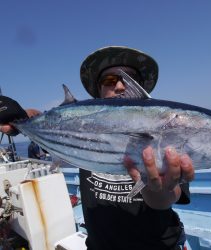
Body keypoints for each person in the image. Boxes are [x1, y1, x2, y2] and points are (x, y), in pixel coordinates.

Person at [0, 46, 194, 250]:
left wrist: (160, 190)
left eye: (130, 80)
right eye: (110, 81)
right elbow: (52, 118)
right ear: (99, 90)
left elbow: (165, 200)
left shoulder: (168, 127)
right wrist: (18, 116)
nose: (120, 86)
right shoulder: (81, 124)